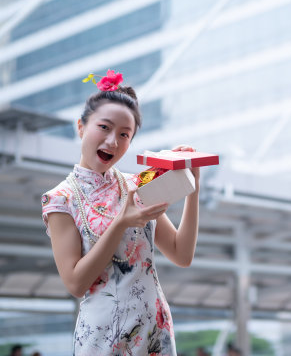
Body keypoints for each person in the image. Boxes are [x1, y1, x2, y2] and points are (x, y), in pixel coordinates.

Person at [41, 71, 200, 355]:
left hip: (154, 330)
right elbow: (76, 283)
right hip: (102, 337)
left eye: (124, 134)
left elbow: (181, 254)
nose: (113, 141)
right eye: (104, 127)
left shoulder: (136, 184)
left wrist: (193, 187)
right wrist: (122, 223)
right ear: (81, 127)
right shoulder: (60, 200)